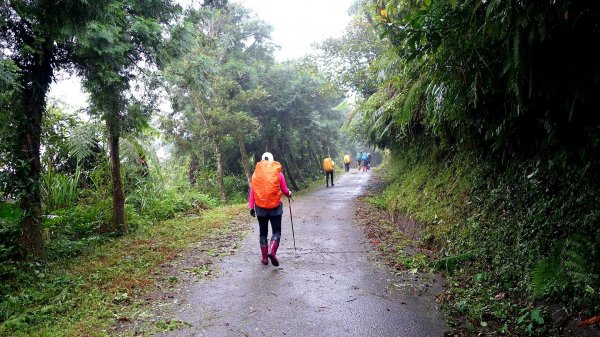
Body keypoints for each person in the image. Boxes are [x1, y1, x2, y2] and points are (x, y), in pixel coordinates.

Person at [248, 152, 292, 266]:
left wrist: (251, 207)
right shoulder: (278, 173)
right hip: (276, 207)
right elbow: (284, 190)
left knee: (263, 232)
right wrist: (289, 193)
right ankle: (272, 252)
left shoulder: (256, 174)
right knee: (276, 231)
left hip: (260, 208)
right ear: (272, 160)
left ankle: (265, 259)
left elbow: (252, 191)